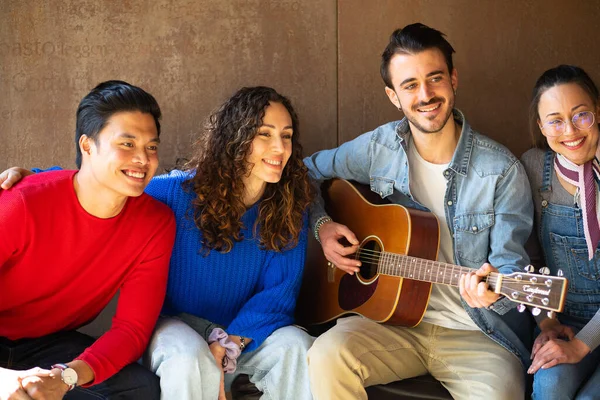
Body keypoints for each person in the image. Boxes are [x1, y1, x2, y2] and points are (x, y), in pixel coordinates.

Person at [1, 86, 315, 400]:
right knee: (186, 357)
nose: (279, 147)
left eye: (286, 136)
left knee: (295, 348)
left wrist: (229, 343)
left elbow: (276, 296)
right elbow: (89, 185)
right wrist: (36, 181)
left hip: (240, 336)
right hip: (176, 328)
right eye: (264, 133)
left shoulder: (285, 210)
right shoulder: (173, 194)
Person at [303, 23, 534, 399]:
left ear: (453, 79)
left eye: (435, 78)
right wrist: (323, 226)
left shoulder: (501, 171)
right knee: (327, 356)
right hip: (392, 323)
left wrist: (496, 291)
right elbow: (306, 172)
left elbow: (509, 269)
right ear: (393, 96)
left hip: (475, 333)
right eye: (410, 85)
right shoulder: (379, 148)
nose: (425, 95)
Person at [0, 80, 176, 400]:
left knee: (140, 389)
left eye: (151, 146)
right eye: (127, 144)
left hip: (50, 344)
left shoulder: (155, 223)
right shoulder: (22, 203)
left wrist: (64, 376)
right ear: (87, 146)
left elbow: (131, 330)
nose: (143, 158)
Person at [521, 65, 600, 399]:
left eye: (581, 115)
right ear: (541, 126)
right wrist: (546, 323)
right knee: (550, 386)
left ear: (597, 112)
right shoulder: (533, 167)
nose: (570, 130)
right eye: (555, 120)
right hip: (569, 321)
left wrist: (583, 347)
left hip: (587, 336)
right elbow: (525, 258)